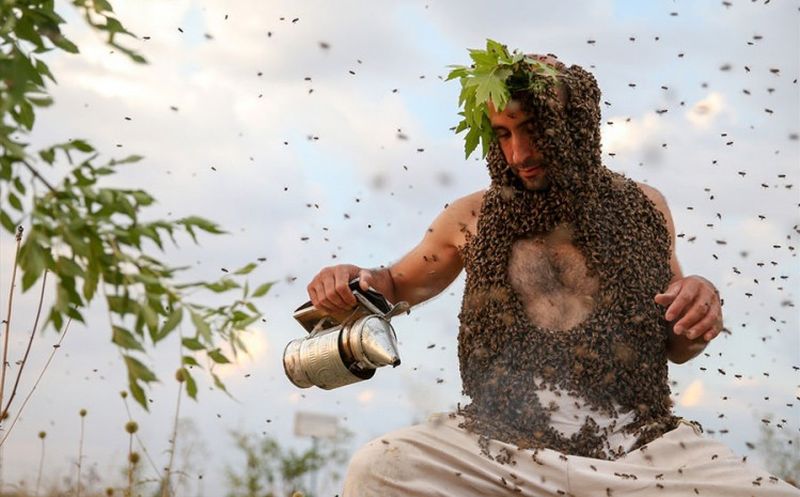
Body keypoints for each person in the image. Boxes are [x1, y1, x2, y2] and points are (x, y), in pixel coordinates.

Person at [305, 47, 798, 496]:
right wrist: (352, 281)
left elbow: (680, 343)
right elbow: (393, 286)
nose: (519, 154)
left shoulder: (645, 208)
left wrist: (702, 300)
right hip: (498, 448)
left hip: (640, 451)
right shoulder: (470, 216)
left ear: (576, 124)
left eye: (533, 130)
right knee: (378, 468)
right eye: (503, 134)